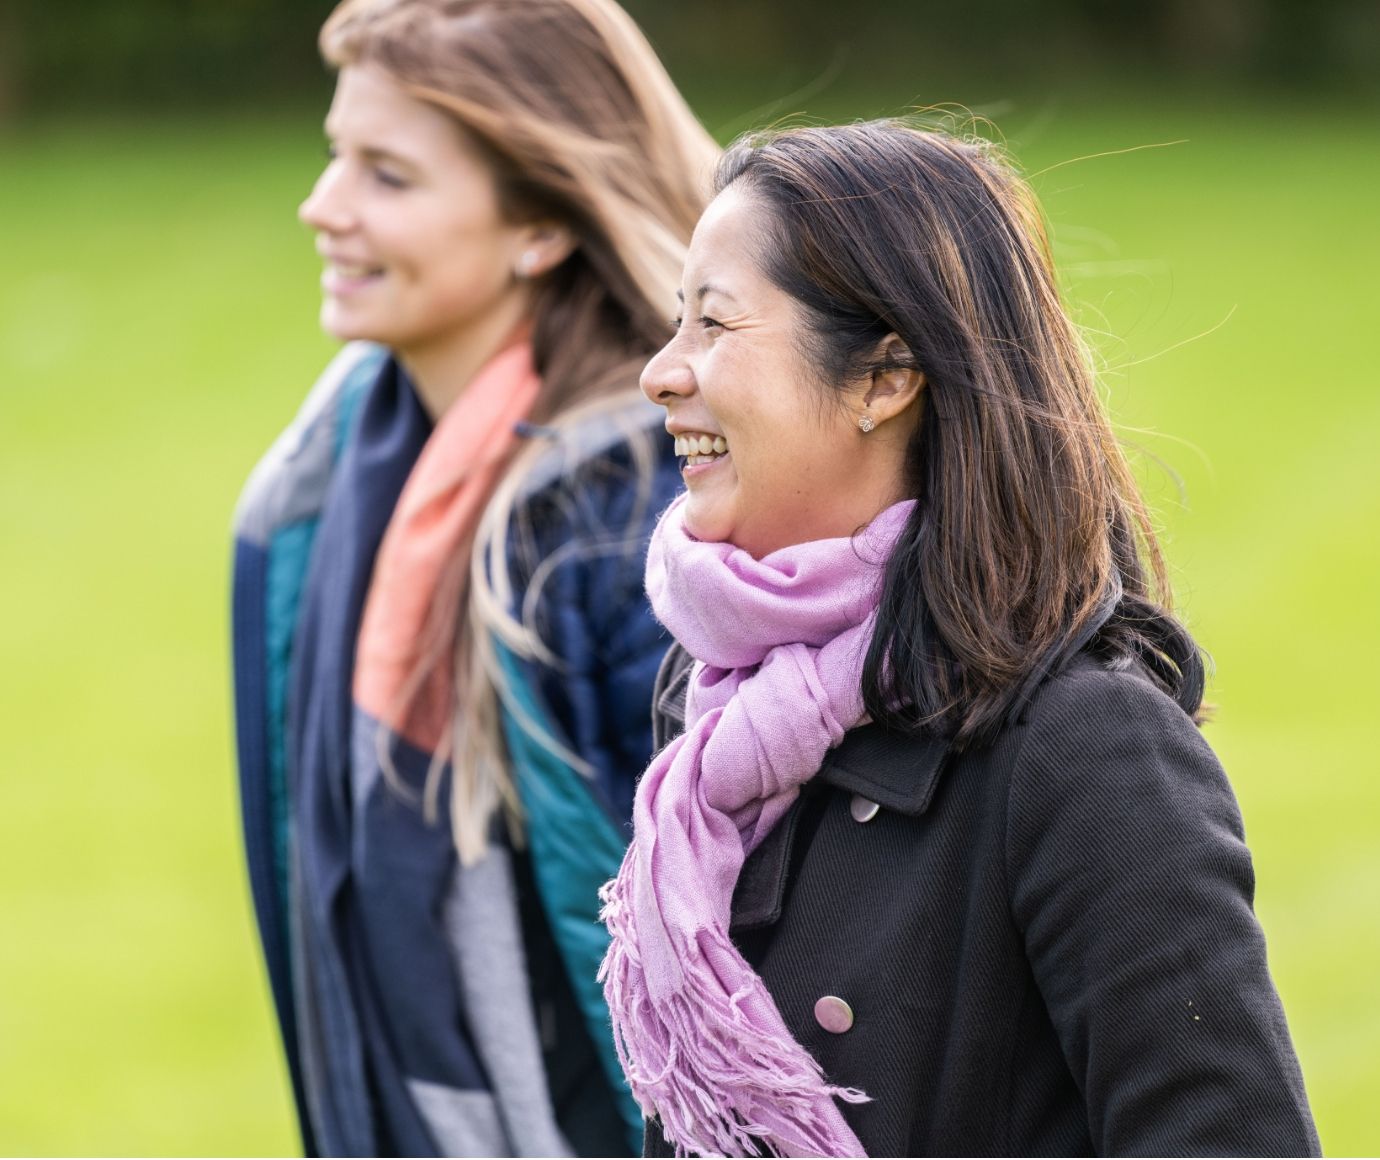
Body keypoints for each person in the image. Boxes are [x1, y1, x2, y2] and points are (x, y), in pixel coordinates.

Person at [600, 120, 1321, 1158]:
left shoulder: (1087, 747)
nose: (662, 373)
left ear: (885, 379)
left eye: (714, 323)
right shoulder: (715, 705)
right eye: (677, 321)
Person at [230, 1, 719, 1154]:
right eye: (335, 153)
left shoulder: (639, 521)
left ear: (541, 226)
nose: (324, 205)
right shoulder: (326, 470)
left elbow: (739, 948)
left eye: (387, 175)